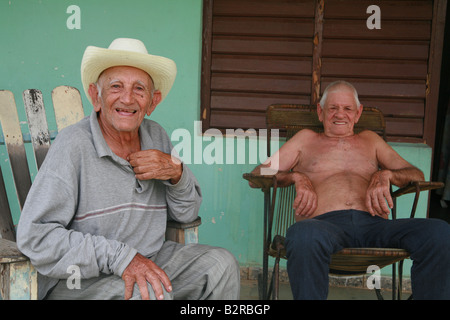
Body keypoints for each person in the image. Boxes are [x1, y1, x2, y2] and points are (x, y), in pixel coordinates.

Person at [17, 38, 240, 300]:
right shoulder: (73, 145)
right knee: (146, 295)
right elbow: (36, 236)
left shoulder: (157, 136)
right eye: (115, 86)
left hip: (151, 258)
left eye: (139, 89)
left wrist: (176, 174)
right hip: (82, 279)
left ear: (152, 102)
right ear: (95, 96)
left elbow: (186, 213)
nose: (127, 98)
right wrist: (120, 256)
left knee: (221, 266)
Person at [250, 80, 450, 300]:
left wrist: (387, 174)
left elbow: (416, 175)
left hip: (375, 226)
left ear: (358, 113)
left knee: (439, 233)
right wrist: (295, 176)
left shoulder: (370, 140)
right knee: (302, 234)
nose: (340, 114)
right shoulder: (305, 139)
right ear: (320, 111)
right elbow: (258, 175)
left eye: (347, 108)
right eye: (333, 108)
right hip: (323, 227)